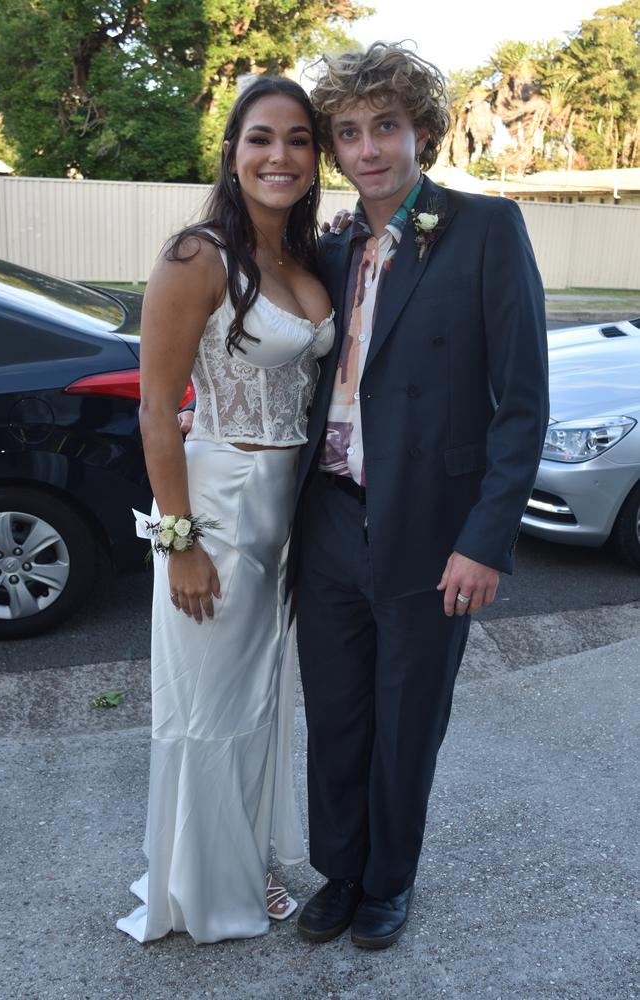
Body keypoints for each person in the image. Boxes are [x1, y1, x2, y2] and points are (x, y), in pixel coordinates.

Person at [287, 42, 550, 949]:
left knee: (407, 718)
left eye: (386, 127)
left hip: (432, 530)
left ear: (422, 133)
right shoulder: (325, 248)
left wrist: (486, 539)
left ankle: (390, 881)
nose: (368, 149)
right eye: (349, 132)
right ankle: (341, 872)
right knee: (336, 713)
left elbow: (522, 405)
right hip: (324, 517)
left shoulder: (486, 229)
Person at [116, 76, 334, 945]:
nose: (278, 156)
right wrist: (180, 544)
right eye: (260, 139)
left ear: (316, 161)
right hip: (218, 506)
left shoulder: (305, 261)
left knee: (257, 703)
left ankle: (245, 857)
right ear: (233, 153)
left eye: (297, 140)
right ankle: (201, 889)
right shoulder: (197, 256)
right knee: (207, 706)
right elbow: (155, 408)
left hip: (289, 515)